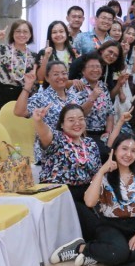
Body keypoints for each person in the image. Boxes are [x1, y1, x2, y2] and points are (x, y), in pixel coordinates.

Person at [62, 134, 135, 266]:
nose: (128, 154)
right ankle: (82, 248)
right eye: (124, 149)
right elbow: (90, 203)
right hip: (110, 225)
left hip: (134, 225)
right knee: (118, 253)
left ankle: (103, 255)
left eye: (133, 151)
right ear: (114, 151)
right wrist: (101, 171)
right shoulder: (104, 177)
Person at [32, 104, 102, 243]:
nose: (77, 123)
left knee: (105, 225)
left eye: (81, 119)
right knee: (94, 229)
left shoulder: (90, 143)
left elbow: (96, 173)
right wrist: (39, 121)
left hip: (86, 194)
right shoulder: (58, 139)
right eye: (71, 120)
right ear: (62, 124)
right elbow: (45, 134)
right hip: (62, 195)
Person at [0, 20, 37, 118]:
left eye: (25, 32)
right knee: (1, 123)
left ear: (30, 35)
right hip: (3, 93)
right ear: (12, 33)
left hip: (24, 94)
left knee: (21, 124)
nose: (21, 34)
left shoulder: (34, 56)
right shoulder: (2, 50)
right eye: (18, 31)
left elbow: (35, 82)